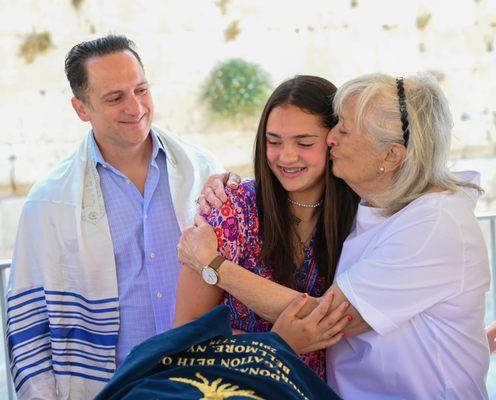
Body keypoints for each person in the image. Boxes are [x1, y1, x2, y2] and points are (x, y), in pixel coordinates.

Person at [177, 73, 491, 398]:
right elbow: (183, 336)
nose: (332, 139)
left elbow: (326, 317)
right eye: (273, 141)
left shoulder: (430, 223)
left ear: (392, 156)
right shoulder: (370, 202)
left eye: (342, 129)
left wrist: (213, 264)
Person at [6, 35, 222, 400]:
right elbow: (29, 331)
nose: (135, 107)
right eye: (114, 97)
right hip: (109, 390)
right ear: (81, 108)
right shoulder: (48, 203)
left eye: (141, 89)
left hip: (203, 382)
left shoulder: (203, 172)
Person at [173, 75, 360, 380]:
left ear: (333, 141)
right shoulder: (230, 212)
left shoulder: (364, 213)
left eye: (304, 143)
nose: (286, 156)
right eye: (274, 142)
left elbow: (343, 317)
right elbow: (183, 338)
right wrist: (270, 346)